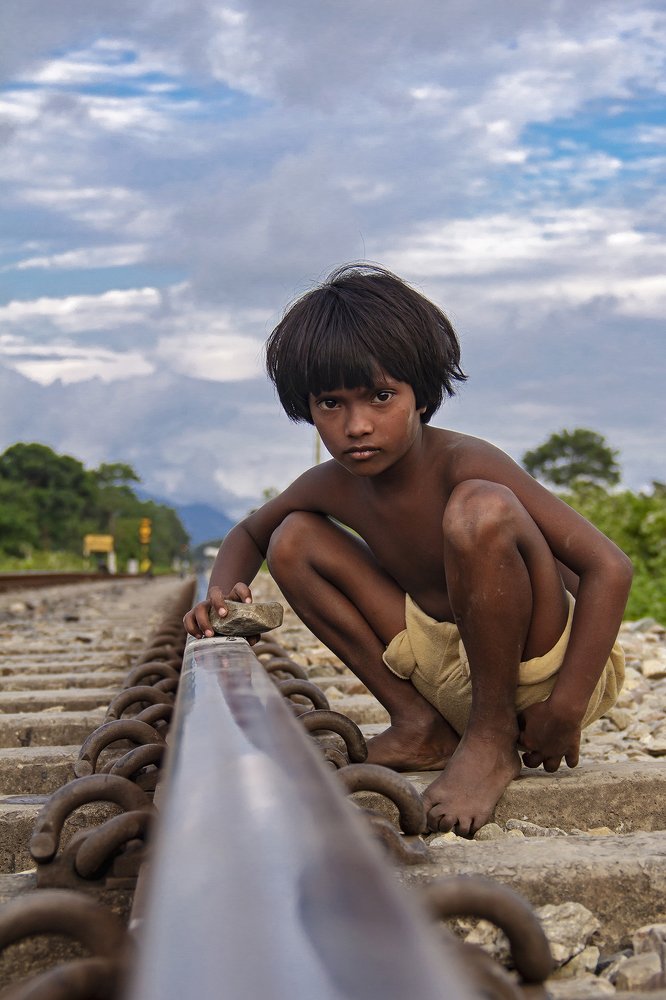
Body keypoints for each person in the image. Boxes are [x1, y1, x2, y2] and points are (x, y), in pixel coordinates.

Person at [183, 264, 632, 837]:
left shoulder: (465, 462)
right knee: (291, 537)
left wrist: (567, 708)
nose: (357, 425)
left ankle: (491, 742)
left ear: (422, 396)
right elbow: (249, 534)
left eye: (381, 396)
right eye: (330, 405)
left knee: (480, 509)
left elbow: (608, 568)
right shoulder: (331, 484)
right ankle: (421, 724)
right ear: (308, 409)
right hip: (445, 665)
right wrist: (222, 596)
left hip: (542, 670)